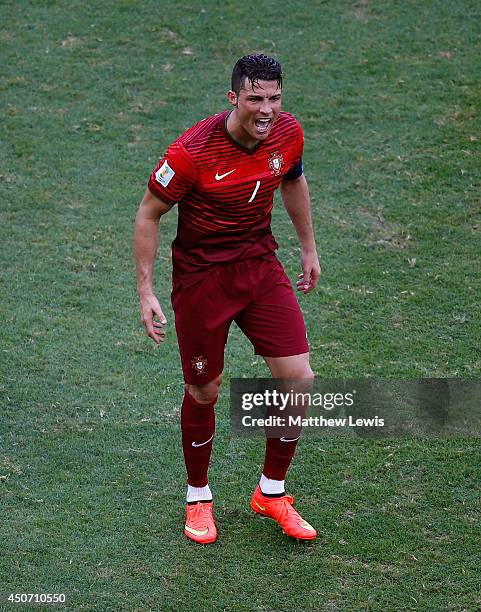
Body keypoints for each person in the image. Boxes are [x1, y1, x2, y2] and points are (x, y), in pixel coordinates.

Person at [134, 54, 321, 544]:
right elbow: (149, 214)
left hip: (259, 266)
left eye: (275, 98)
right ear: (233, 97)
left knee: (299, 379)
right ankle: (198, 495)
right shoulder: (191, 154)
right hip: (202, 280)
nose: (266, 109)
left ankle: (271, 492)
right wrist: (146, 290)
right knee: (205, 391)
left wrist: (307, 247)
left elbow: (294, 179)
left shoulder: (287, 132)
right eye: (255, 98)